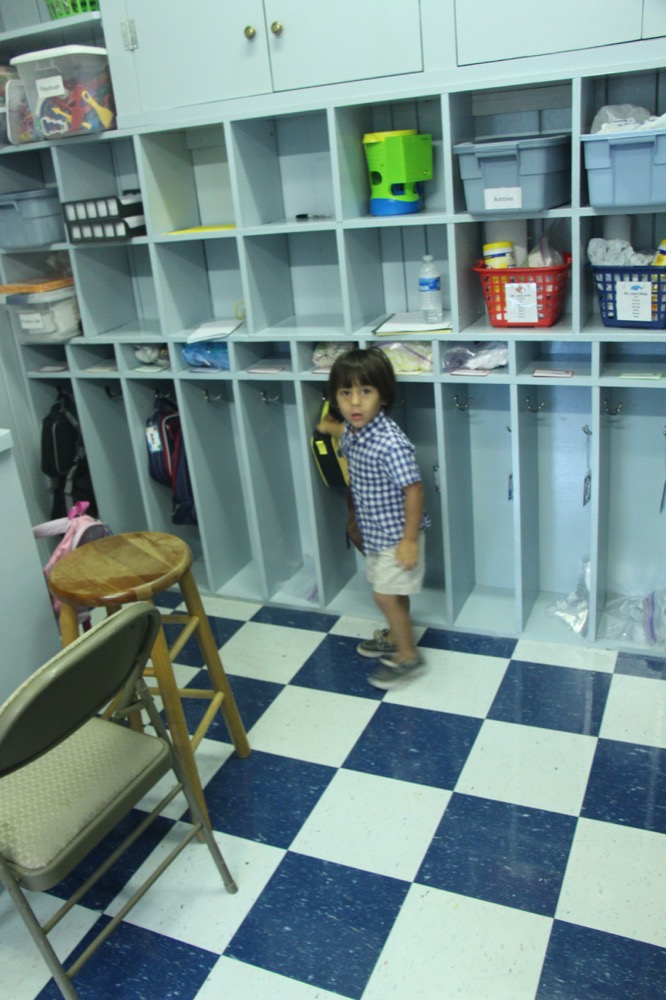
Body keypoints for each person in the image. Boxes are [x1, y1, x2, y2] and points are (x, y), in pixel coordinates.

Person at [323, 347, 428, 689]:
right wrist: (333, 429)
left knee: (383, 595)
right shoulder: (355, 431)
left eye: (365, 391)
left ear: (383, 396)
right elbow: (348, 439)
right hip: (376, 532)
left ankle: (408, 656)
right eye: (345, 393)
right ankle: (397, 635)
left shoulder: (390, 444)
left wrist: (409, 541)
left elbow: (414, 489)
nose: (355, 402)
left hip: (397, 536)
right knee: (393, 593)